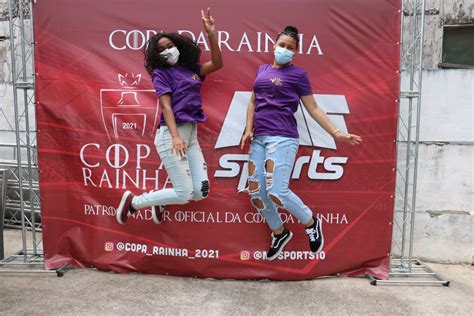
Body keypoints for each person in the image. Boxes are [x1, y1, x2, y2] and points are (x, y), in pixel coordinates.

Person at [240, 26, 362, 261]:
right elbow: (253, 101)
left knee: (277, 192)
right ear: (274, 45)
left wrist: (336, 132)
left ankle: (311, 222)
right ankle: (280, 232)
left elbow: (313, 107)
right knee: (257, 194)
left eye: (290, 48)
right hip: (259, 138)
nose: (284, 50)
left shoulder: (298, 75)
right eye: (281, 45)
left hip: (283, 138)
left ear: (295, 53)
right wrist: (248, 128)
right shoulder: (262, 70)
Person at [116, 8, 223, 225]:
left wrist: (211, 33)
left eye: (170, 46)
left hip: (191, 135)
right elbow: (166, 107)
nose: (168, 50)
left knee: (200, 192)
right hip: (171, 135)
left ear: (178, 46)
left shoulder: (191, 68)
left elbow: (218, 64)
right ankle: (134, 203)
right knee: (184, 194)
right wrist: (175, 137)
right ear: (157, 54)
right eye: (163, 49)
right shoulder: (160, 74)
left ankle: (159, 200)